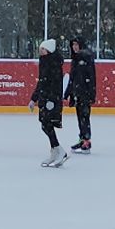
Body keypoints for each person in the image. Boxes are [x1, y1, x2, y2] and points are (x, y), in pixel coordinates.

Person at [32, 38, 70, 167]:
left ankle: (59, 150)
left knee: (47, 123)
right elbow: (41, 82)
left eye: (43, 49)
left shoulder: (54, 63)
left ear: (48, 50)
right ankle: (55, 150)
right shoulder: (44, 62)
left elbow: (55, 84)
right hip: (44, 98)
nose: (40, 51)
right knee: (44, 124)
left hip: (51, 99)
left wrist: (51, 100)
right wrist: (34, 98)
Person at [64, 35, 96, 152]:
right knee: (80, 116)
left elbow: (91, 77)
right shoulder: (76, 59)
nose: (74, 47)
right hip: (77, 92)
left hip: (85, 93)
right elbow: (72, 78)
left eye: (76, 45)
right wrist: (68, 93)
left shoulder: (86, 58)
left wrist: (91, 94)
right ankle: (82, 138)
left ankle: (87, 140)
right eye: (73, 45)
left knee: (84, 116)